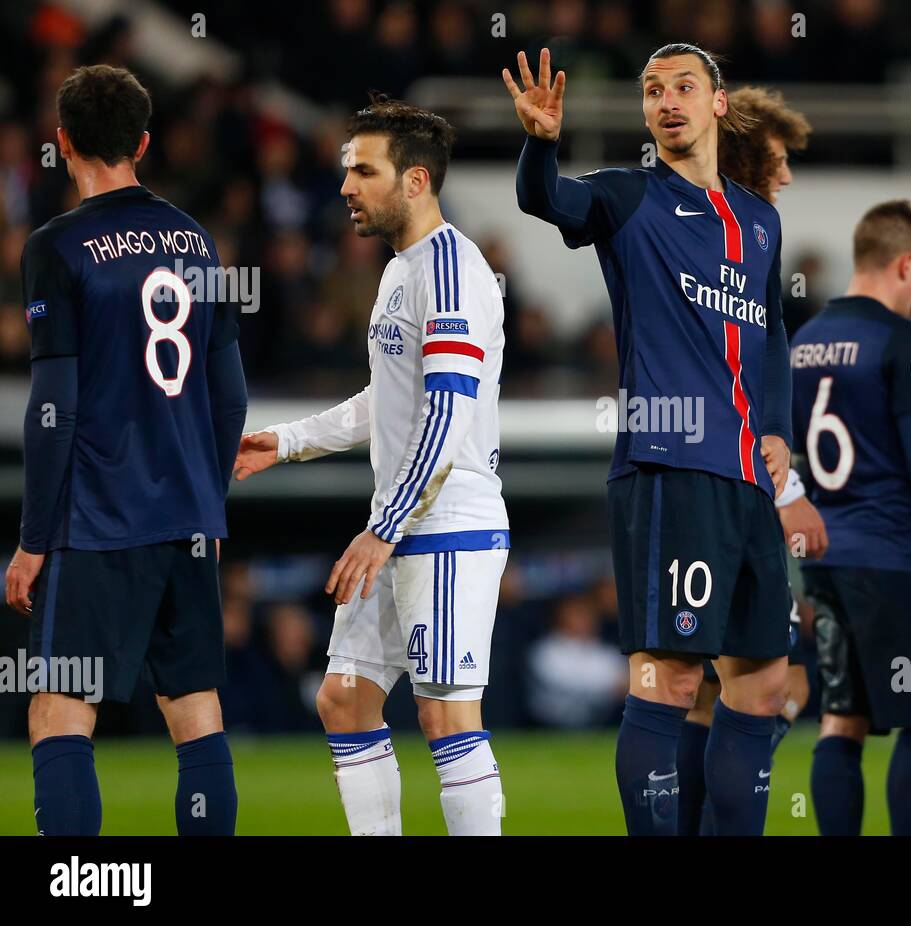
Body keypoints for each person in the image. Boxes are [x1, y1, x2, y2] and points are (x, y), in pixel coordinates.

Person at [506, 45, 794, 836]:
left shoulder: (760, 220)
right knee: (667, 682)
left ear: (718, 104)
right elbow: (544, 199)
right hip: (669, 469)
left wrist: (778, 431)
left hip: (746, 483)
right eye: (652, 91)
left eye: (683, 88)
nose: (666, 101)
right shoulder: (627, 197)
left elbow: (771, 335)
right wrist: (539, 141)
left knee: (763, 685)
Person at [234, 95, 509, 836]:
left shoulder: (449, 274)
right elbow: (384, 399)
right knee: (345, 699)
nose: (347, 186)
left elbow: (447, 416)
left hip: (446, 522)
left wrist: (384, 527)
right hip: (401, 519)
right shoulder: (400, 270)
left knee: (446, 713)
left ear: (415, 181)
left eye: (364, 170)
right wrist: (287, 441)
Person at [5, 65, 247, 836]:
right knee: (197, 712)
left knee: (59, 712)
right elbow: (230, 396)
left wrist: (34, 539)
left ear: (64, 142)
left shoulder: (58, 247)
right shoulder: (198, 241)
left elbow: (55, 407)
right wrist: (207, 499)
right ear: (143, 142)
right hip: (188, 520)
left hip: (97, 520)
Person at [793, 200, 911, 836]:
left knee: (842, 719)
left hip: (824, 557)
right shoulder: (900, 339)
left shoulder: (802, 341)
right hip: (893, 555)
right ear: (904, 262)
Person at [677, 83, 821, 837]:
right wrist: (789, 486)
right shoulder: (710, 230)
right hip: (719, 483)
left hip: (696, 477)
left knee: (708, 687)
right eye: (778, 160)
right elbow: (748, 365)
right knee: (758, 683)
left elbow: (767, 349)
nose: (787, 175)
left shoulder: (743, 233)